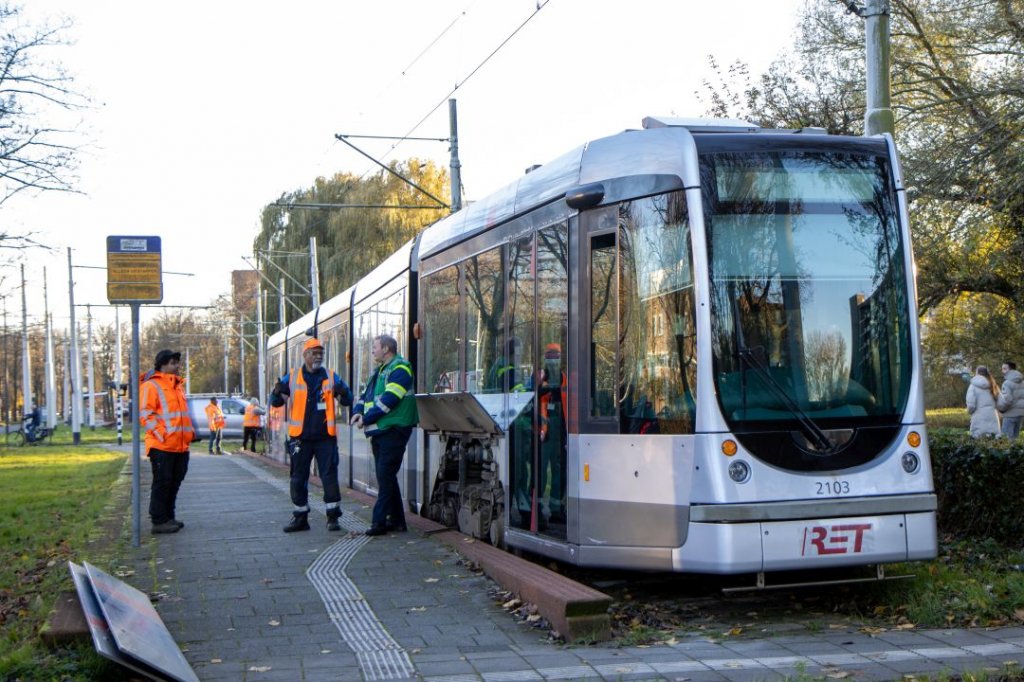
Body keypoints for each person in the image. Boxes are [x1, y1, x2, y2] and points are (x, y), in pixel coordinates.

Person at [270, 337, 352, 533]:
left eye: (320, 353)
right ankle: (300, 518)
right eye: (314, 353)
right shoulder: (292, 376)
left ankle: (333, 517)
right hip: (300, 437)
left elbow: (347, 400)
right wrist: (276, 392)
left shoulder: (332, 377)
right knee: (298, 478)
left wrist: (343, 393)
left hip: (325, 437)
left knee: (329, 477)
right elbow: (276, 403)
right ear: (305, 355)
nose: (318, 356)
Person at [350, 334, 418, 536]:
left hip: (395, 428)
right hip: (382, 430)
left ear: (387, 349)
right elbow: (366, 396)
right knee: (386, 476)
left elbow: (389, 399)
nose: (372, 350)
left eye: (375, 346)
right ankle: (397, 521)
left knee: (385, 474)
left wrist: (367, 418)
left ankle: (379, 522)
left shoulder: (400, 368)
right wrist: (357, 411)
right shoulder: (379, 371)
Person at [141, 349, 196, 534]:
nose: (176, 366)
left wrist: (189, 435)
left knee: (175, 481)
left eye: (177, 362)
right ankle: (158, 520)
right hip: (162, 445)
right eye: (173, 362)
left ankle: (169, 516)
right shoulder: (152, 386)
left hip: (180, 445)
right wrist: (162, 434)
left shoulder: (177, 386)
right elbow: (146, 414)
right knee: (162, 482)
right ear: (162, 364)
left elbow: (181, 415)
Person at [966, 365, 1001, 438]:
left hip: (978, 417)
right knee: (993, 441)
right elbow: (1001, 402)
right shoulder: (993, 385)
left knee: (979, 442)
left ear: (977, 373)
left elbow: (971, 405)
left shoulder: (973, 386)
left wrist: (969, 411)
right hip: (993, 417)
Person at [997, 361, 1024, 440]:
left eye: (1005, 369)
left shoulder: (1007, 383)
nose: (1002, 371)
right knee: (1015, 440)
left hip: (1009, 414)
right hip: (1020, 415)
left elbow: (1007, 400)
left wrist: (1001, 410)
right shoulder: (1022, 382)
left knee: (1006, 441)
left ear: (1011, 370)